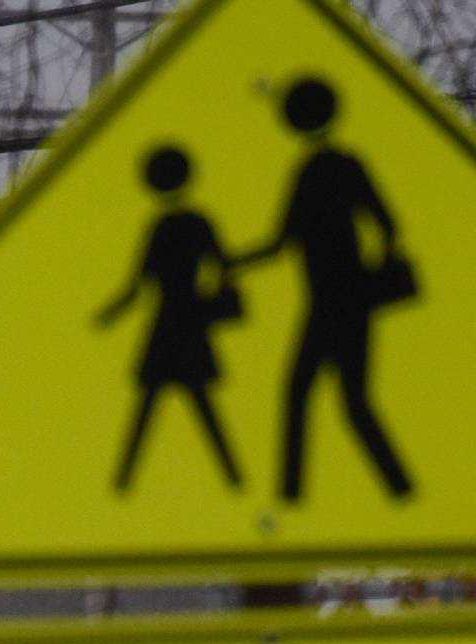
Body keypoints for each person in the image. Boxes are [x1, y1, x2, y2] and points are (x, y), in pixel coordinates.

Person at [235, 76, 414, 503]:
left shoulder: (314, 171)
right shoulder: (340, 166)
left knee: (312, 396)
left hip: (336, 302)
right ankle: (396, 488)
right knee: (344, 401)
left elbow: (281, 242)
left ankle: (296, 497)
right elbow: (387, 224)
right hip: (344, 301)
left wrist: (233, 263)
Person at [96, 145, 244, 494]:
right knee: (179, 405)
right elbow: (224, 266)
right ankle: (233, 479)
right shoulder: (193, 223)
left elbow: (138, 285)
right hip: (186, 322)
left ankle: (123, 484)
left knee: (164, 406)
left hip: (171, 324)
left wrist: (107, 316)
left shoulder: (165, 226)